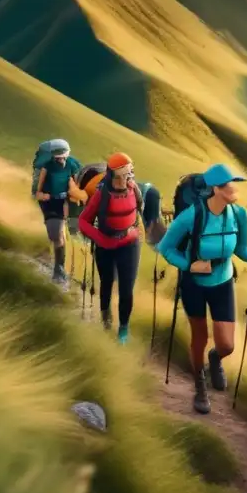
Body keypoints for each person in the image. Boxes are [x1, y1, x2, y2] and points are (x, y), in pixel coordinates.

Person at [158, 163, 247, 414]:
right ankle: (200, 386)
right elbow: (166, 248)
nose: (233, 188)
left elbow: (240, 248)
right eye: (227, 184)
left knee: (227, 345)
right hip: (194, 284)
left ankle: (215, 359)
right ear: (215, 189)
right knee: (199, 338)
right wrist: (189, 265)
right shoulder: (191, 216)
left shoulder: (238, 215)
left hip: (223, 280)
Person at [78, 152, 149, 344]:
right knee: (107, 283)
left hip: (130, 246)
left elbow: (139, 215)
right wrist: (100, 238)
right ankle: (105, 317)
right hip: (106, 246)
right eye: (125, 174)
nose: (129, 178)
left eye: (131, 173)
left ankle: (123, 328)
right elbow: (83, 222)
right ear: (114, 175)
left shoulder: (135, 190)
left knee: (127, 289)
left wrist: (138, 232)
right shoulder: (101, 195)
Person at [35, 145, 86, 284]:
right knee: (54, 235)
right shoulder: (47, 167)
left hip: (63, 202)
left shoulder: (72, 165)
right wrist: (42, 196)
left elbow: (76, 187)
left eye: (62, 157)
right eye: (57, 157)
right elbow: (39, 190)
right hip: (49, 202)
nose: (60, 160)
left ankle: (59, 269)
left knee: (57, 234)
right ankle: (57, 264)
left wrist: (73, 199)